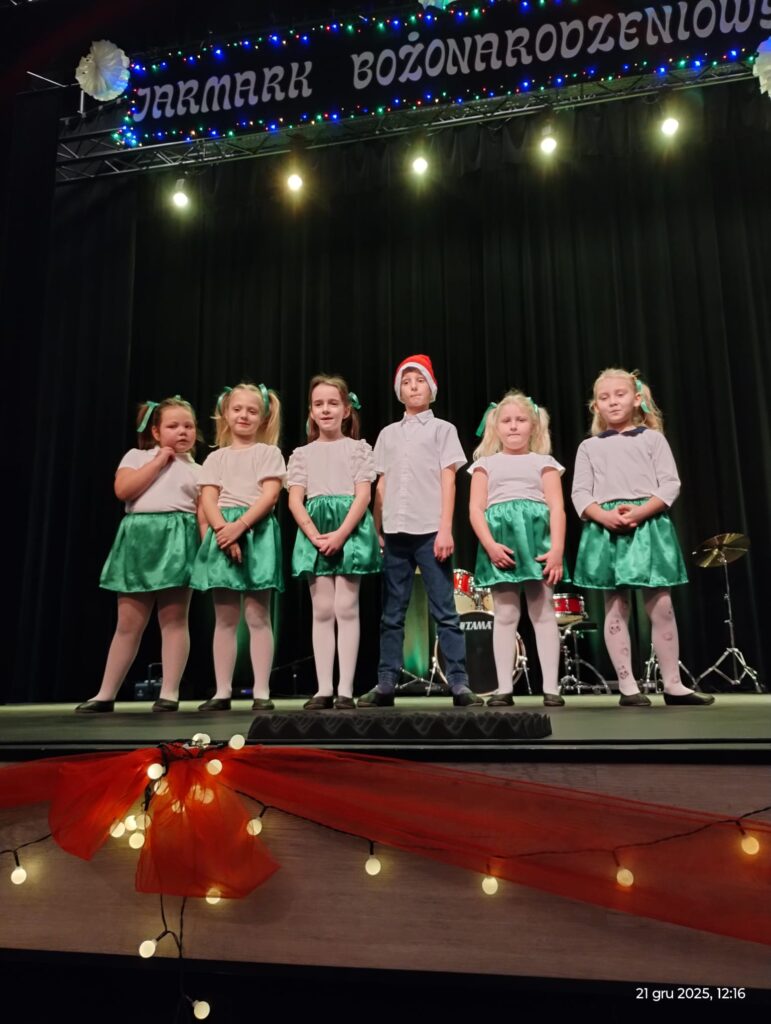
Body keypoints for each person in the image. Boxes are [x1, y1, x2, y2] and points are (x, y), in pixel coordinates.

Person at [571, 368, 714, 707]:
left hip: (648, 526)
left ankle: (673, 684)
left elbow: (670, 484)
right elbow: (580, 492)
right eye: (604, 397)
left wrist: (639, 512)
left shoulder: (653, 439)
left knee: (661, 605)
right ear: (595, 406)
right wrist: (604, 515)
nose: (612, 402)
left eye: (619, 395)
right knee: (616, 604)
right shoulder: (589, 446)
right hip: (606, 528)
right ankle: (627, 686)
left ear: (636, 399)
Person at [359, 355, 482, 708]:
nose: (413, 387)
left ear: (431, 388)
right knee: (391, 613)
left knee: (445, 609)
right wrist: (377, 528)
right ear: (399, 390)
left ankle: (459, 682)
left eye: (420, 381)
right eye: (407, 382)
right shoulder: (388, 434)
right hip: (395, 533)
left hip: (430, 530)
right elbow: (381, 484)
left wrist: (445, 529)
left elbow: (448, 480)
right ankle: (386, 682)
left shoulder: (443, 429)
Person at [76, 397, 203, 714]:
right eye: (173, 426)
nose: (182, 431)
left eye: (188, 426)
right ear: (156, 432)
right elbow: (124, 490)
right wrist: (159, 461)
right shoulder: (136, 457)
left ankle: (169, 693)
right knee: (128, 623)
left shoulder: (198, 470)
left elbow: (202, 513)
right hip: (138, 541)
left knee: (174, 619)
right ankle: (106, 693)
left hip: (178, 542)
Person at [287, 375, 381, 710]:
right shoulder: (302, 454)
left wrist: (341, 534)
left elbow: (363, 495)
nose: (325, 409)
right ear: (311, 412)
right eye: (318, 404)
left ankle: (345, 689)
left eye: (332, 403)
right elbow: (295, 500)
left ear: (346, 410)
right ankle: (324, 688)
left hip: (348, 529)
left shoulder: (358, 449)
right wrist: (314, 535)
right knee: (323, 609)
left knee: (346, 607)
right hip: (315, 530)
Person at [191, 383, 285, 712]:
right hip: (223, 531)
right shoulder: (216, 458)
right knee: (225, 618)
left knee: (258, 616)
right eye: (237, 409)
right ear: (225, 413)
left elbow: (269, 496)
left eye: (252, 410)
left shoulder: (268, 454)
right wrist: (222, 531)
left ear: (263, 418)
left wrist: (239, 527)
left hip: (256, 532)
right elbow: (208, 499)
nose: (244, 415)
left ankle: (262, 690)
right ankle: (222, 691)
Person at [469, 391, 567, 707]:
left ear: (533, 426)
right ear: (495, 427)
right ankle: (503, 688)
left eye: (521, 420)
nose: (513, 426)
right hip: (501, 542)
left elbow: (557, 508)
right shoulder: (485, 465)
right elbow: (475, 509)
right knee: (505, 613)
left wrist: (557, 550)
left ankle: (551, 688)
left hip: (537, 541)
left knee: (543, 612)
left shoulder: (544, 463)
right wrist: (489, 545)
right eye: (507, 421)